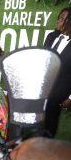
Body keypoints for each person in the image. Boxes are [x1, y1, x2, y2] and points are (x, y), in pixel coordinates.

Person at [43, 7, 71, 137]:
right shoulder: (51, 37)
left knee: (50, 129)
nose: (60, 22)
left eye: (64, 19)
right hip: (43, 93)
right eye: (59, 18)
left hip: (59, 98)